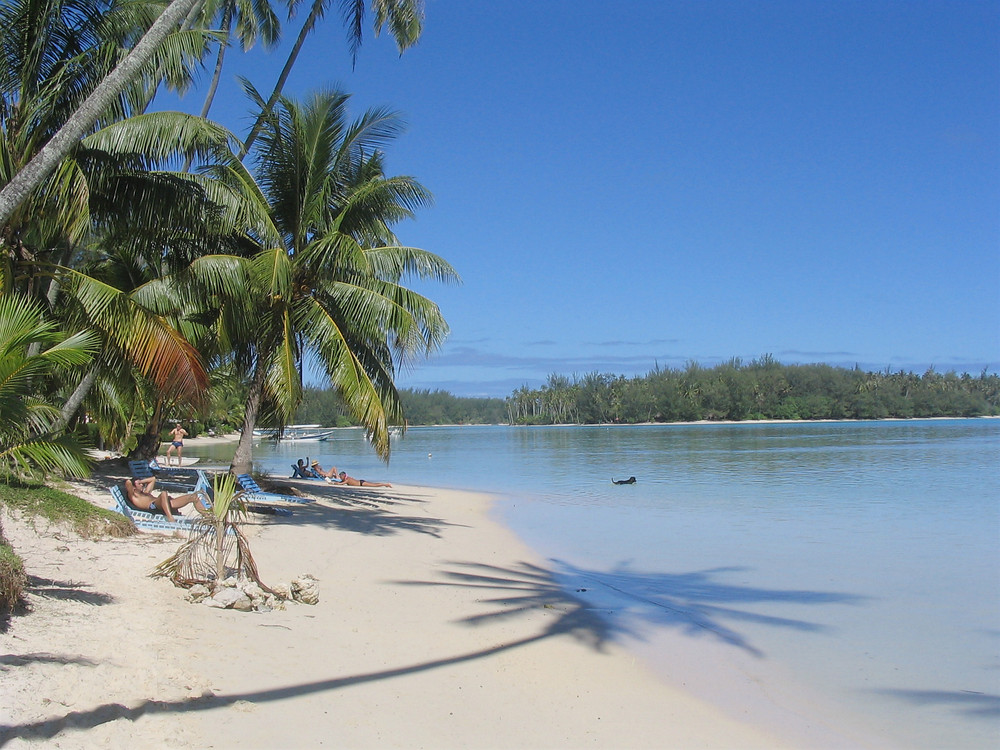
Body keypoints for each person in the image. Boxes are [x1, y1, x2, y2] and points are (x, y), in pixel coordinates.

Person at [124, 477, 207, 523]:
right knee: (163, 493)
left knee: (193, 497)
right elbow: (128, 482)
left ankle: (208, 517)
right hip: (154, 506)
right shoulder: (133, 496)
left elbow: (153, 479)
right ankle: (170, 517)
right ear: (134, 487)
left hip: (166, 503)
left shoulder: (146, 492)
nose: (142, 485)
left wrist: (141, 480)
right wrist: (134, 482)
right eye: (140, 484)